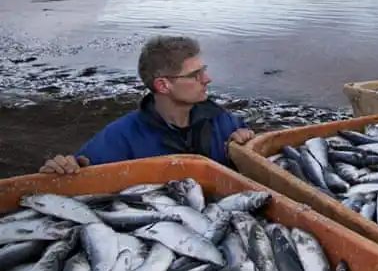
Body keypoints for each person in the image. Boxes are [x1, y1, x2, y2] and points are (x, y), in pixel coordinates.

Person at [40, 35, 255, 174]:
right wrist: (65, 168)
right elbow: (81, 171)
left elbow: (254, 168)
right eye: (195, 75)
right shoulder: (121, 137)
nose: (207, 79)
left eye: (204, 70)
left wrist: (246, 145)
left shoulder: (223, 122)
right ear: (163, 85)